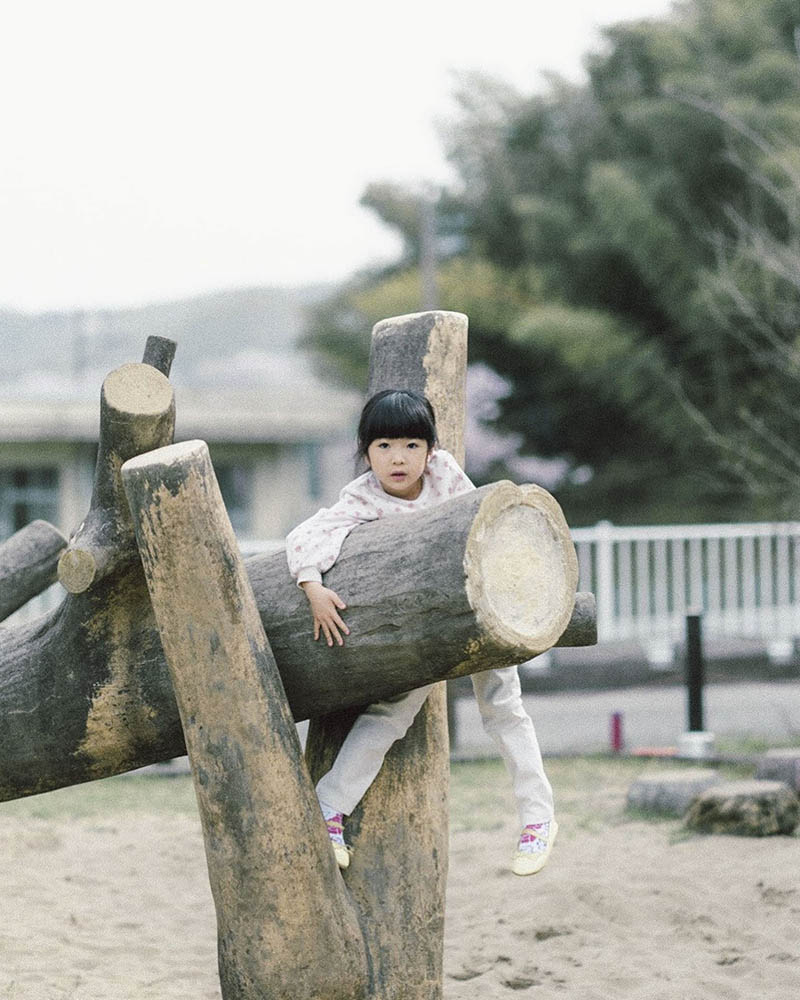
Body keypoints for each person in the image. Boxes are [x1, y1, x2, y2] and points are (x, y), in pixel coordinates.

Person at [286, 388, 556, 876]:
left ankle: (537, 819)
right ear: (366, 452)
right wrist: (312, 586)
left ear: (430, 450)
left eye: (412, 445)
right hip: (426, 630)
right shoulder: (363, 496)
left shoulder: (447, 477)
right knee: (390, 713)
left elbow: (484, 525)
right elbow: (309, 534)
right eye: (384, 446)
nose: (398, 458)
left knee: (503, 709)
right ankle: (329, 809)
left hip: (480, 614)